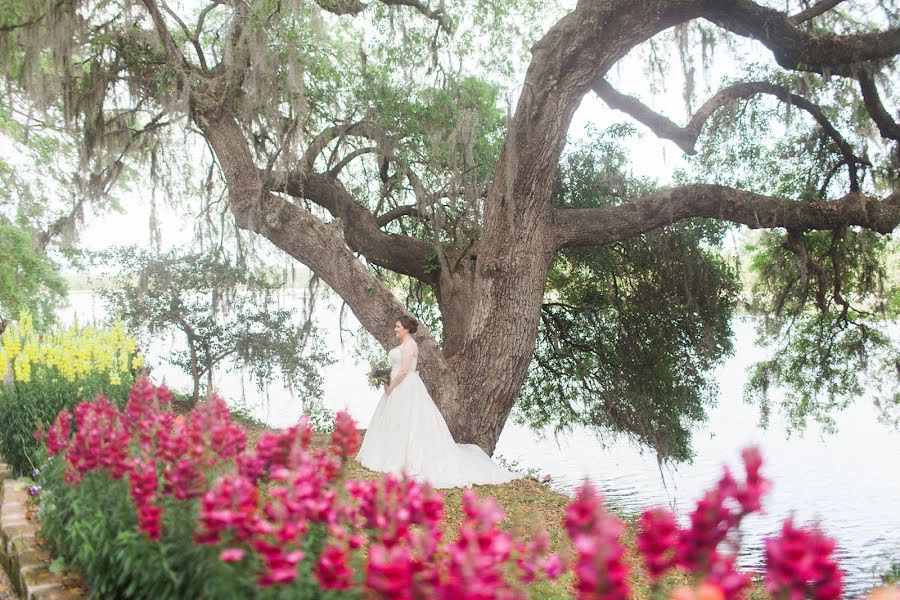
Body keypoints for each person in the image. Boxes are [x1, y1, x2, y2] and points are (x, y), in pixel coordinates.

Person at [356, 315, 517, 488]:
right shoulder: (403, 345)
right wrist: (383, 374)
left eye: (397, 326)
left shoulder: (410, 345)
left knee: (408, 421)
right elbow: (396, 367)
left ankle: (406, 459)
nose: (395, 329)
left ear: (406, 329)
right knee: (397, 421)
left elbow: (403, 371)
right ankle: (390, 453)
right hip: (398, 386)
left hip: (405, 386)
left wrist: (391, 386)